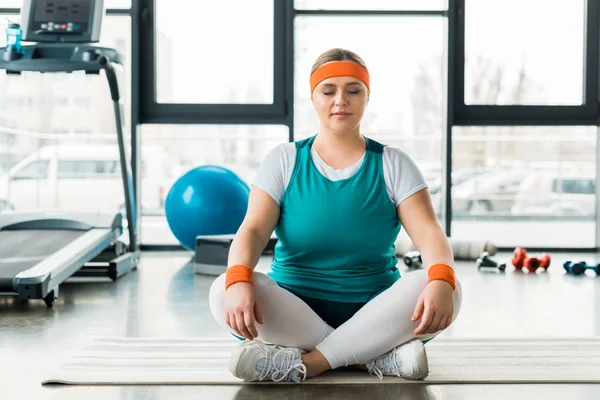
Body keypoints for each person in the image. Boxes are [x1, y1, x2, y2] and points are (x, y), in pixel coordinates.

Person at [209, 48, 463, 383]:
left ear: (366, 98)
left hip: (375, 310)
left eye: (353, 90)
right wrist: (239, 279)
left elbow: (429, 233)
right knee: (222, 289)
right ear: (313, 98)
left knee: (449, 287)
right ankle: (372, 358)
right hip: (294, 309)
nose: (340, 100)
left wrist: (441, 279)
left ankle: (306, 363)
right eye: (328, 91)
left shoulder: (393, 162)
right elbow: (253, 230)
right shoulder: (284, 160)